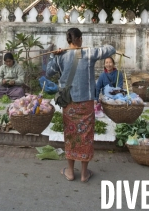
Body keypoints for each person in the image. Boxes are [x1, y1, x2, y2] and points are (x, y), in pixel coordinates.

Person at [46, 27, 115, 183]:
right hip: (86, 102)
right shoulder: (89, 53)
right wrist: (96, 49)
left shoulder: (60, 55)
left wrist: (53, 56)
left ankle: (70, 172)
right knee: (85, 136)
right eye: (81, 39)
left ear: (69, 40)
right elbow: (112, 49)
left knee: (70, 135)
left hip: (69, 103)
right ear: (78, 39)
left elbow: (49, 73)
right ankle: (84, 173)